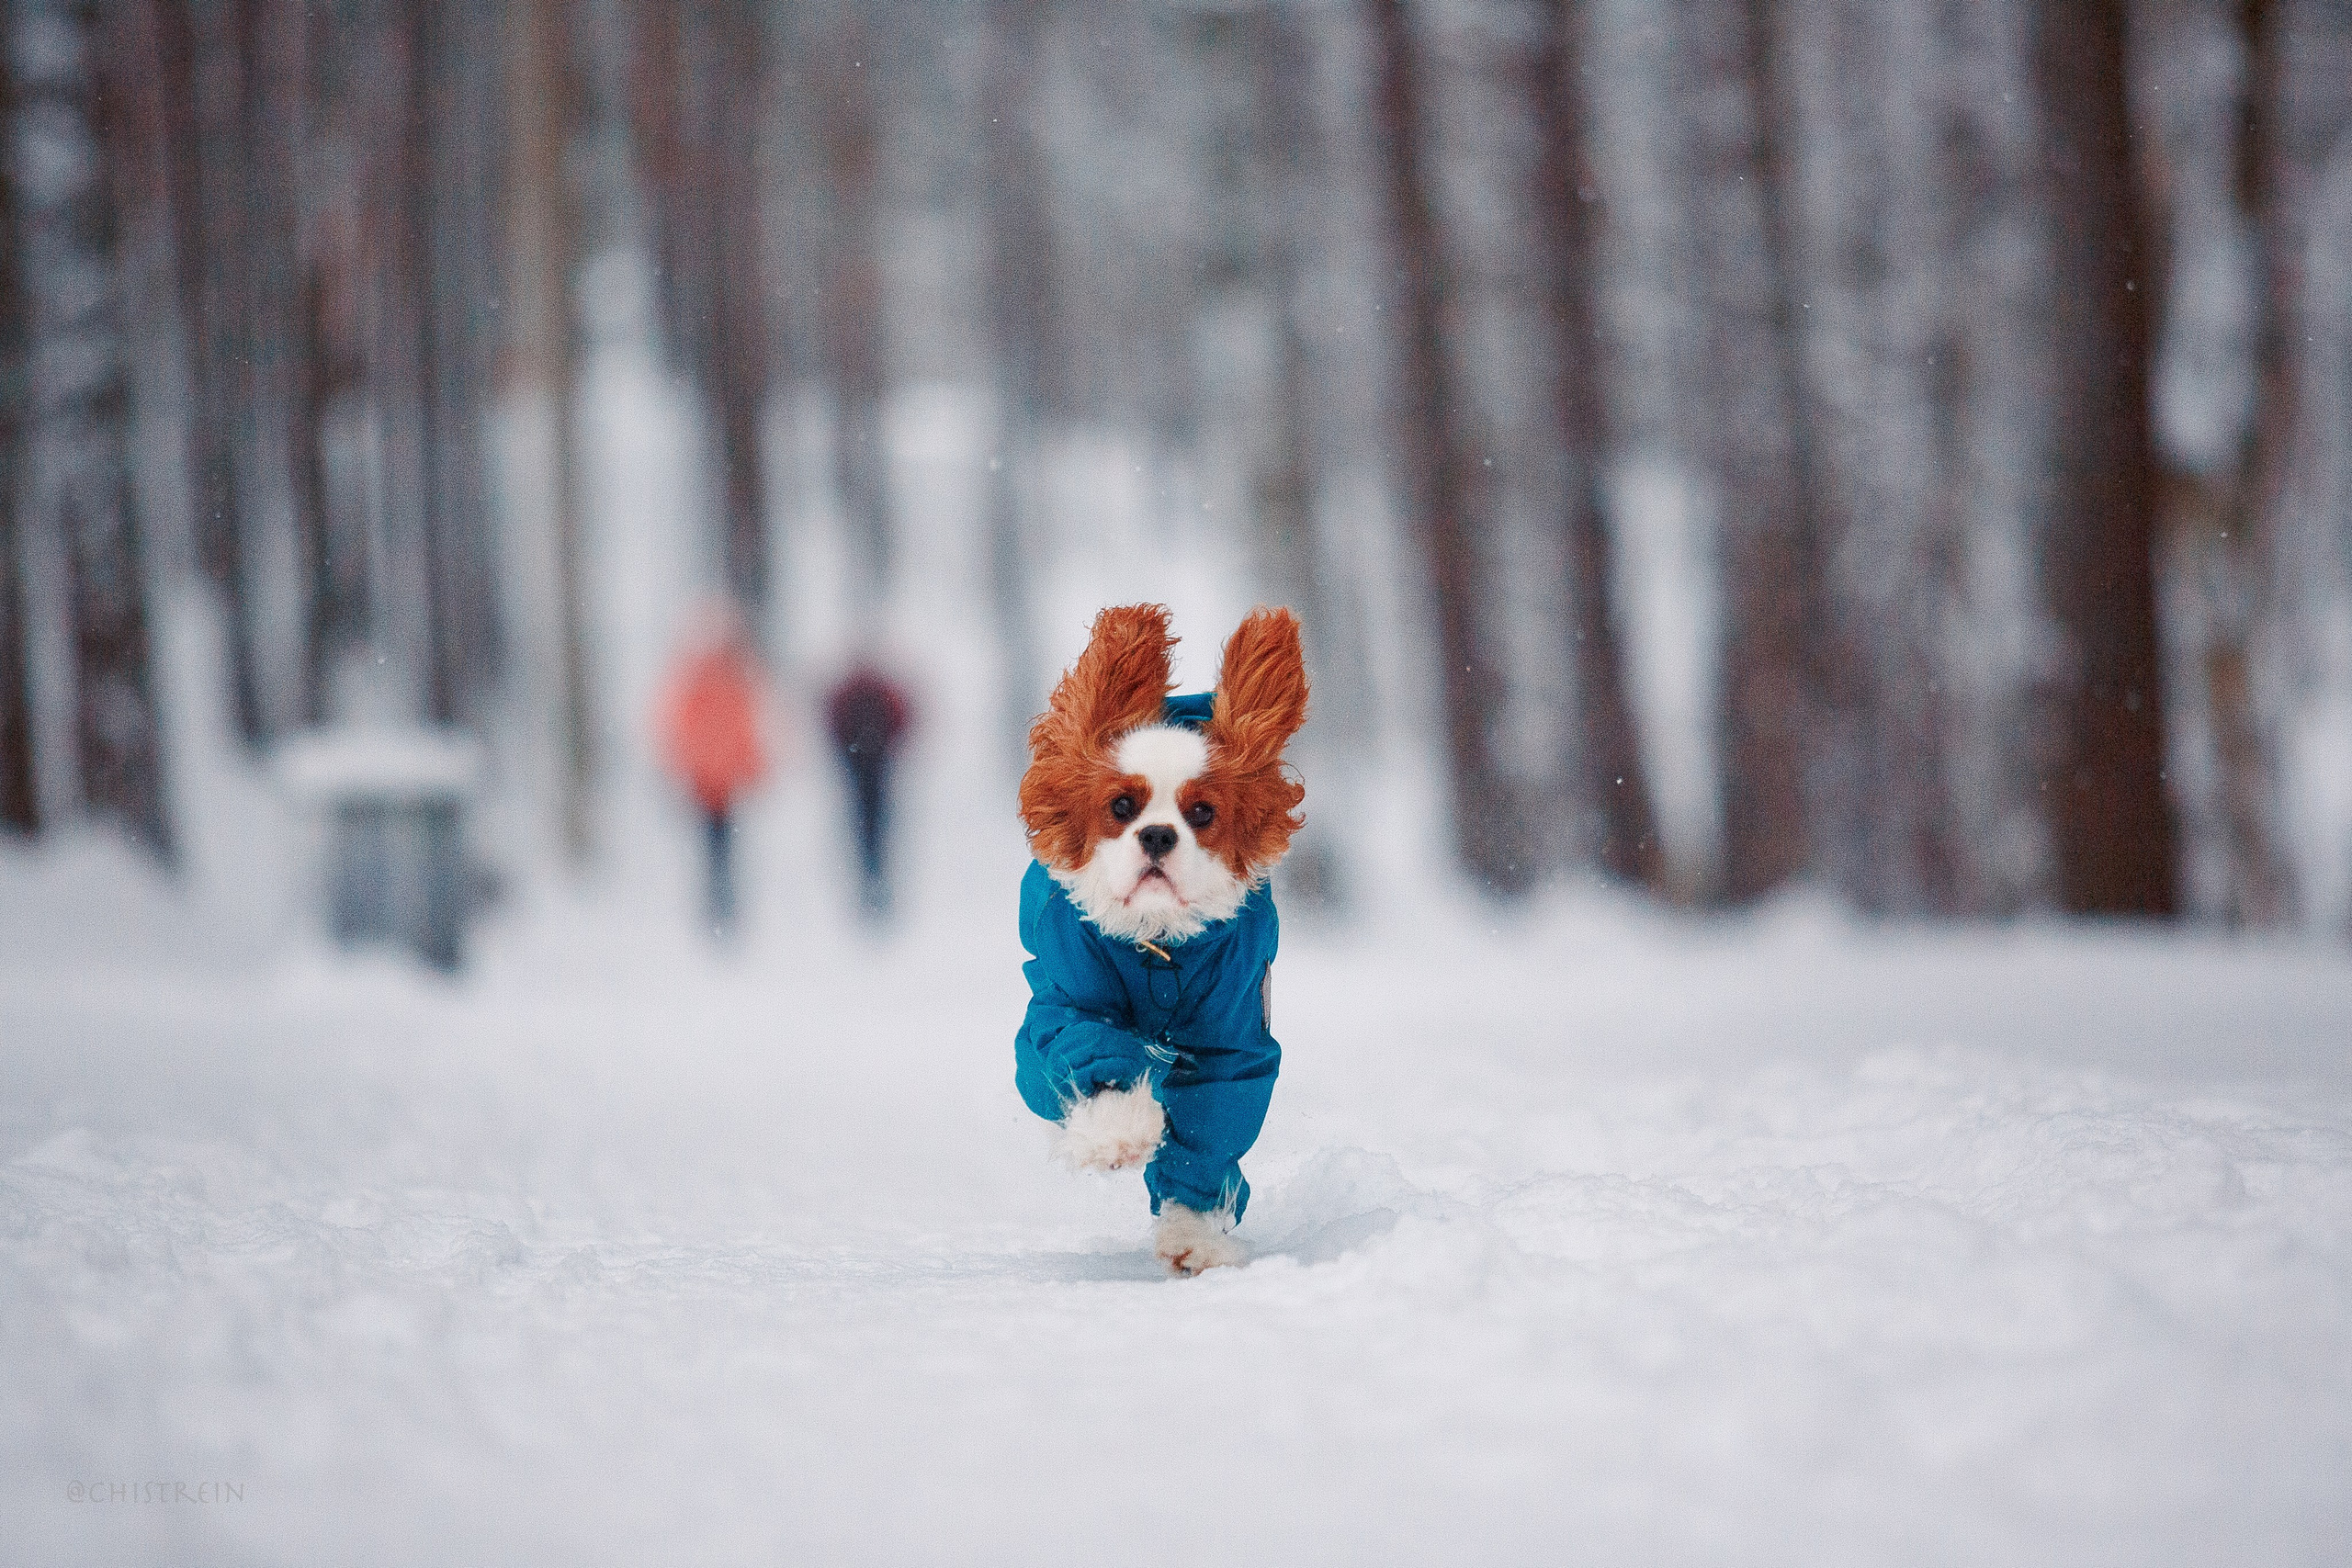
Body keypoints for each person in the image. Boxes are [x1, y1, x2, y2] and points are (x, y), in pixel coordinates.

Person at [658, 608, 771, 938]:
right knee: (721, 845)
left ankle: (718, 904)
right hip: (715, 779)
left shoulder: (704, 683)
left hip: (711, 779)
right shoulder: (724, 683)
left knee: (716, 845)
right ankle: (721, 904)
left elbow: (682, 730)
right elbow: (740, 730)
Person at [824, 659, 911, 919]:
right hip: (868, 764)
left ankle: (873, 883)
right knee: (873, 826)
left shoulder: (859, 691)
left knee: (871, 826)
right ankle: (872, 883)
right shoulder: (870, 691)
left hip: (869, 764)